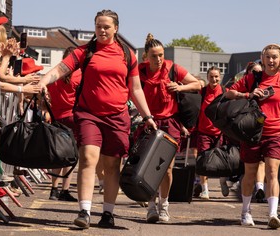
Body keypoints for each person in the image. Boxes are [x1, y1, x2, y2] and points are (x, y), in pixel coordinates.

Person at [38, 9, 156, 229]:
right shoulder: (85, 51)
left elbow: (136, 89)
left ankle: (108, 214)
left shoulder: (128, 54)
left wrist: (147, 115)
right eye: (98, 26)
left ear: (116, 28)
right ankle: (84, 211)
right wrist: (43, 81)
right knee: (88, 159)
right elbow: (60, 69)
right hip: (88, 114)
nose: (101, 30)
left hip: (117, 116)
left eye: (106, 27)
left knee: (112, 166)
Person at [225, 44, 280, 229]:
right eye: (268, 57)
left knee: (272, 172)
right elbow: (229, 93)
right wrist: (248, 94)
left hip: (276, 133)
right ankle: (246, 212)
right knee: (250, 173)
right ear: (262, 59)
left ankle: (273, 214)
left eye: (275, 57)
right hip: (253, 133)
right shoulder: (252, 78)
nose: (271, 61)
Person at [138, 33, 200, 223]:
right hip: (149, 122)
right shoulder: (140, 71)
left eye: (161, 55)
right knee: (148, 167)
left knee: (166, 168)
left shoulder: (172, 68)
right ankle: (150, 207)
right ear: (146, 56)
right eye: (154, 56)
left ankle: (164, 205)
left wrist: (180, 88)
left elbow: (199, 83)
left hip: (170, 123)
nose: (158, 59)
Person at [46, 46, 79, 202]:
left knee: (58, 155)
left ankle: (54, 189)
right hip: (73, 117)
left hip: (56, 118)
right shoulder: (79, 75)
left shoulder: (55, 74)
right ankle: (65, 190)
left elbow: (48, 97)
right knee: (70, 156)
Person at [196, 66, 229, 200]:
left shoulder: (225, 92)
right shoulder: (202, 92)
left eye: (216, 76)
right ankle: (205, 189)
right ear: (207, 77)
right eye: (211, 76)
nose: (214, 79)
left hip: (219, 132)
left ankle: (222, 181)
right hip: (203, 131)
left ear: (220, 77)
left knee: (220, 161)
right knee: (203, 160)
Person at [243, 62, 267, 203]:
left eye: (260, 71)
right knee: (250, 164)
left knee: (262, 161)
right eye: (254, 72)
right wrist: (249, 94)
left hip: (264, 126)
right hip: (247, 127)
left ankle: (259, 188)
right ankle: (248, 188)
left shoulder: (267, 83)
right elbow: (231, 94)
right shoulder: (245, 83)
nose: (257, 74)